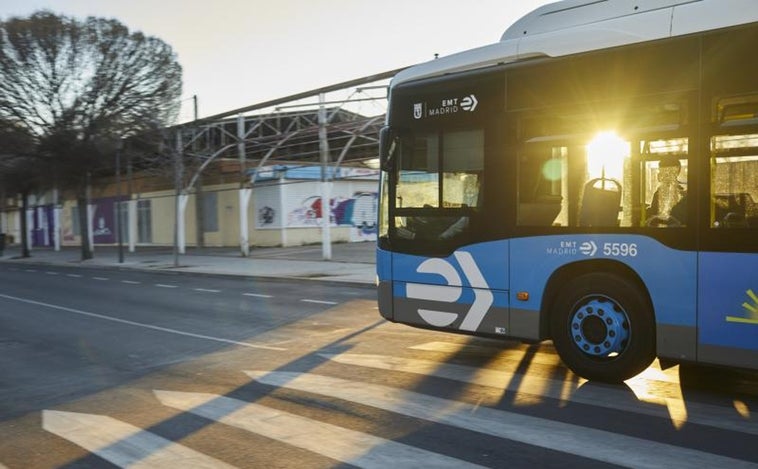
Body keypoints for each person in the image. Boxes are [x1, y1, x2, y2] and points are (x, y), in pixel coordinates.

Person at [647, 156, 686, 226]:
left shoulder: (681, 196)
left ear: (676, 173)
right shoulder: (659, 193)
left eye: (664, 171)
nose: (660, 175)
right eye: (660, 171)